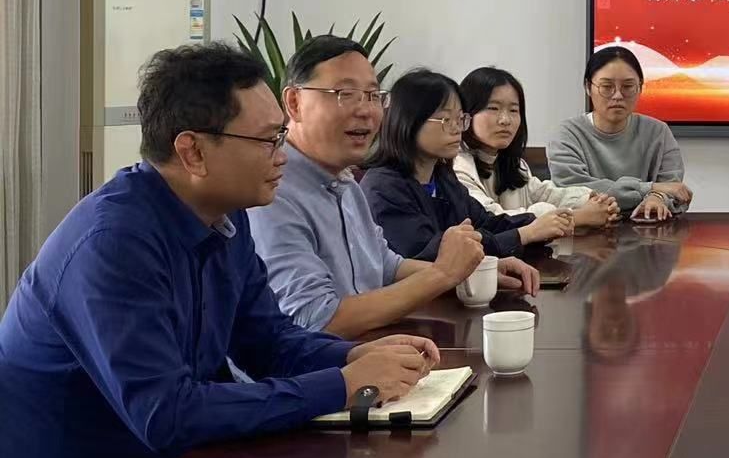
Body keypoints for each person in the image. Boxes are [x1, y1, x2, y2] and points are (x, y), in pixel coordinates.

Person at [0, 43, 438, 458]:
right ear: (193, 152)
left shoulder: (226, 218)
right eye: (268, 139)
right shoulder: (113, 244)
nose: (283, 154)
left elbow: (268, 342)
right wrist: (342, 385)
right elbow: (167, 415)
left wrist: (355, 357)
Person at [250, 36, 539, 338]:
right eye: (346, 94)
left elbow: (387, 266)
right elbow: (315, 319)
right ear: (294, 103)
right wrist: (442, 274)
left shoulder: (346, 184)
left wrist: (475, 272)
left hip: (375, 350)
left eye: (373, 96)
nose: (366, 110)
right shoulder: (271, 191)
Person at [361, 69, 575, 260]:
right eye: (446, 120)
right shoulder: (384, 187)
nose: (457, 129)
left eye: (460, 119)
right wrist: (525, 234)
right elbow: (429, 254)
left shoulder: (442, 178)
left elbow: (485, 223)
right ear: (408, 121)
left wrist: (538, 222)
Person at [456, 66, 619, 230]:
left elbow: (544, 193)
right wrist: (578, 217)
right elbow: (490, 220)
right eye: (493, 108)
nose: (505, 120)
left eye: (513, 110)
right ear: (466, 114)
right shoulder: (457, 166)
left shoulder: (513, 164)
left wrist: (592, 200)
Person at [549, 46, 692, 222]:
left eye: (628, 86)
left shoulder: (658, 132)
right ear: (588, 87)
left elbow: (675, 190)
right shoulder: (567, 134)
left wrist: (658, 198)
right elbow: (573, 192)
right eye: (606, 86)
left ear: (640, 88)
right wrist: (650, 188)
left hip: (648, 229)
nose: (617, 95)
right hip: (586, 231)